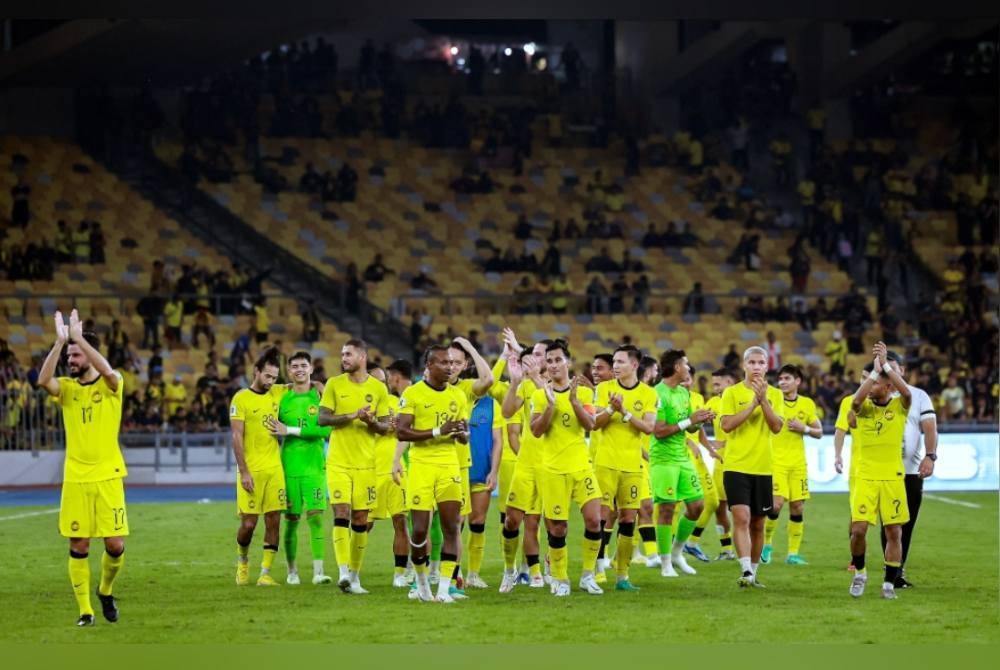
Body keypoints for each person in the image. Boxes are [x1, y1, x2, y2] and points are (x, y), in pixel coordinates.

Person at [39, 309, 127, 626]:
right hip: (76, 478)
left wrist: (80, 340)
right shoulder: (67, 388)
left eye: (75, 355)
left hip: (108, 476)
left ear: (89, 354)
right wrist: (60, 341)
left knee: (115, 545)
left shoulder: (112, 382)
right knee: (79, 544)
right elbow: (42, 380)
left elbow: (109, 375)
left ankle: (105, 590)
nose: (71, 360)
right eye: (70, 355)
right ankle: (86, 611)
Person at [393, 345, 469, 603]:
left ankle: (445, 589)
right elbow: (402, 431)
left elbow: (463, 433)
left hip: (449, 466)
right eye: (444, 363)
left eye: (451, 363)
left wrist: (462, 434)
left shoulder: (458, 395)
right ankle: (422, 584)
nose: (450, 367)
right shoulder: (413, 393)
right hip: (422, 466)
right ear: (429, 365)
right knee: (419, 531)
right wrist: (438, 431)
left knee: (451, 526)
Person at [530, 340, 603, 596]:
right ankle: (560, 579)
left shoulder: (583, 393)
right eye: (548, 361)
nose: (553, 365)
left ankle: (587, 575)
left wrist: (572, 401)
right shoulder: (540, 395)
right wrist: (550, 406)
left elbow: (591, 424)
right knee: (558, 528)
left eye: (557, 360)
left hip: (581, 466)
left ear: (568, 363)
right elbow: (536, 431)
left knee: (595, 520)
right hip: (552, 469)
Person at [318, 339, 391, 594]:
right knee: (341, 513)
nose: (343, 358)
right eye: (342, 354)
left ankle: (355, 576)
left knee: (361, 519)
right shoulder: (334, 384)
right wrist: (351, 416)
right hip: (338, 462)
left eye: (348, 354)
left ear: (362, 357)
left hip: (366, 464)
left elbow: (385, 427)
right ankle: (342, 572)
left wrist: (370, 421)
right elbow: (322, 418)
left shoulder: (378, 389)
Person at [846, 342, 912, 600]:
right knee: (859, 529)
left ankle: (888, 584)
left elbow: (906, 392)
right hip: (866, 476)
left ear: (888, 387)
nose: (871, 386)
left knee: (894, 532)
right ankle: (860, 573)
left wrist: (886, 365)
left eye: (876, 383)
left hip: (892, 477)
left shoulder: (899, 406)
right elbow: (855, 400)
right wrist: (873, 372)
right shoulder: (863, 408)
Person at [591, 345, 658, 591]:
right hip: (606, 463)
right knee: (603, 517)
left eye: (620, 362)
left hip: (632, 466)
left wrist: (624, 412)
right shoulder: (604, 389)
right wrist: (610, 409)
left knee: (629, 518)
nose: (615, 366)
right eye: (615, 362)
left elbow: (649, 428)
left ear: (634, 364)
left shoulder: (648, 394)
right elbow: (595, 424)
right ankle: (597, 568)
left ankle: (622, 576)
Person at [265, 351, 333, 585]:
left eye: (303, 365)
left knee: (316, 519)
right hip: (289, 468)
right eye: (294, 366)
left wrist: (290, 430)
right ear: (289, 371)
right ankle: (292, 572)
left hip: (314, 467)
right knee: (292, 520)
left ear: (311, 368)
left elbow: (326, 431)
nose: (299, 370)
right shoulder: (282, 398)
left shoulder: (320, 395)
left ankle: (318, 572)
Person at [719, 346, 783, 587]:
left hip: (763, 467)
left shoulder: (775, 395)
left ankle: (754, 574)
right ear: (744, 365)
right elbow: (726, 425)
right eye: (752, 362)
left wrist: (763, 401)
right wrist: (752, 405)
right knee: (742, 517)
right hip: (736, 465)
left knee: (758, 522)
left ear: (767, 366)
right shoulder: (731, 393)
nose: (756, 367)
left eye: (761, 363)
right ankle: (745, 569)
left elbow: (776, 426)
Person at [650, 350, 715, 578]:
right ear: (677, 367)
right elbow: (658, 431)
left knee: (697, 505)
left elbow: (689, 427)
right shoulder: (657, 393)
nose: (689, 367)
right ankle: (665, 562)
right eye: (686, 364)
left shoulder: (683, 393)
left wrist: (700, 420)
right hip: (664, 460)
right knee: (667, 509)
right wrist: (690, 419)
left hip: (682, 457)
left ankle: (677, 553)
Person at [230, 347, 288, 587]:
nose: (271, 381)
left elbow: (304, 385)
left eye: (274, 377)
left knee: (274, 520)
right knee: (249, 524)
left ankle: (265, 572)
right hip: (251, 471)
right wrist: (244, 471)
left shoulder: (277, 392)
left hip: (274, 469)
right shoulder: (241, 398)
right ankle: (243, 561)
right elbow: (236, 436)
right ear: (256, 372)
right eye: (267, 376)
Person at [879, 351, 938, 588]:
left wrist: (930, 456)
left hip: (911, 471)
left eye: (892, 366)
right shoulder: (878, 393)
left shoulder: (919, 396)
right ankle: (891, 572)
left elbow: (930, 427)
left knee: (908, 523)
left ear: (902, 370)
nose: (889, 371)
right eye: (885, 367)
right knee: (889, 524)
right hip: (883, 471)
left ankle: (897, 570)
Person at [499, 334, 552, 592]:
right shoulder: (527, 386)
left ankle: (539, 572)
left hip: (552, 463)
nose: (535, 359)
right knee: (511, 520)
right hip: (526, 463)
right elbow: (507, 412)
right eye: (535, 354)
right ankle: (509, 570)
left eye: (540, 355)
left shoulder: (562, 386)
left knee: (538, 523)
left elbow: (554, 404)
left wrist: (536, 378)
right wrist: (515, 382)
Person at [761, 364, 822, 565]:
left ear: (798, 381)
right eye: (780, 379)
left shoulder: (807, 404)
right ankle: (766, 544)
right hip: (776, 461)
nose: (783, 382)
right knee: (776, 504)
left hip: (798, 464)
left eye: (787, 378)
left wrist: (803, 428)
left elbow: (819, 432)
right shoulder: (773, 399)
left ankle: (792, 554)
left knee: (797, 507)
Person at [373, 360, 413, 587]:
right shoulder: (363, 405)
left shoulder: (397, 402)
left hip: (396, 470)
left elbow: (406, 430)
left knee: (401, 520)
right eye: (377, 381)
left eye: (384, 380)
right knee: (362, 523)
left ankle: (400, 573)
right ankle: (350, 570)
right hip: (370, 470)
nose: (383, 384)